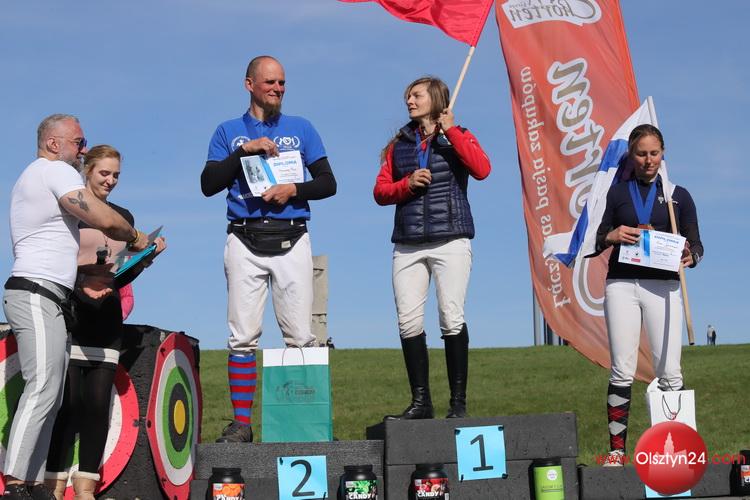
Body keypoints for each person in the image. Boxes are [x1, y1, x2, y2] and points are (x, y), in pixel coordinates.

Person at [2, 115, 149, 500]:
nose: (83, 149)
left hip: (48, 296)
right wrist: (134, 235)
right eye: (79, 142)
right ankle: (15, 483)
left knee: (50, 393)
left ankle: (32, 483)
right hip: (37, 291)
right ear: (54, 144)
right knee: (43, 388)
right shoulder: (54, 171)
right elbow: (99, 214)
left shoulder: (39, 175)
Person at [200, 56, 336, 442]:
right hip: (244, 238)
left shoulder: (301, 128)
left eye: (282, 83)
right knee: (242, 336)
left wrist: (293, 189)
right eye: (270, 82)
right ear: (250, 84)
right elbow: (208, 184)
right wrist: (243, 152)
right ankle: (242, 425)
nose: (278, 89)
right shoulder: (228, 131)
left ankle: (304, 425)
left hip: (292, 236)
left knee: (301, 335)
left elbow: (328, 183)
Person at [44, 145, 166, 500]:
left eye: (116, 175)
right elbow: (54, 266)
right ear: (87, 171)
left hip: (106, 320)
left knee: (98, 407)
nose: (111, 181)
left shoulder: (123, 217)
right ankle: (53, 484)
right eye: (104, 173)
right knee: (67, 405)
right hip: (71, 316)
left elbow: (120, 276)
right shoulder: (68, 210)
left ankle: (86, 487)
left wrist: (145, 259)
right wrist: (82, 285)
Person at [373, 76, 491, 420]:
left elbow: (482, 169)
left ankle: (458, 404)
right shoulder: (398, 145)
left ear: (436, 99)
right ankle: (421, 403)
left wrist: (451, 131)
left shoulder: (459, 135)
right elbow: (380, 192)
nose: (409, 101)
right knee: (408, 321)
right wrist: (407, 184)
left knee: (450, 316)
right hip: (408, 243)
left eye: (417, 95)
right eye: (408, 96)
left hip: (451, 239)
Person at [593, 124, 703, 466]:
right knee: (621, 368)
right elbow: (597, 238)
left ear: (663, 153)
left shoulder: (678, 195)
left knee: (669, 370)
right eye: (641, 154)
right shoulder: (617, 193)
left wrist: (692, 255)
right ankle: (616, 451)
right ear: (631, 155)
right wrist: (613, 235)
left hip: (664, 286)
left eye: (654, 153)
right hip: (622, 284)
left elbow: (695, 242)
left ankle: (677, 453)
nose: (648, 160)